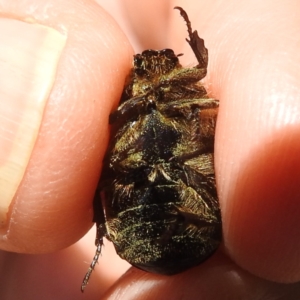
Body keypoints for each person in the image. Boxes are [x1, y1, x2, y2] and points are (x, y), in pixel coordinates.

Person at [0, 1, 300, 299]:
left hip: (183, 216)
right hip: (147, 219)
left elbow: (202, 70)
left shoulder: (176, 96)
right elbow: (105, 134)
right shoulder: (125, 102)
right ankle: (101, 240)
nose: (156, 64)